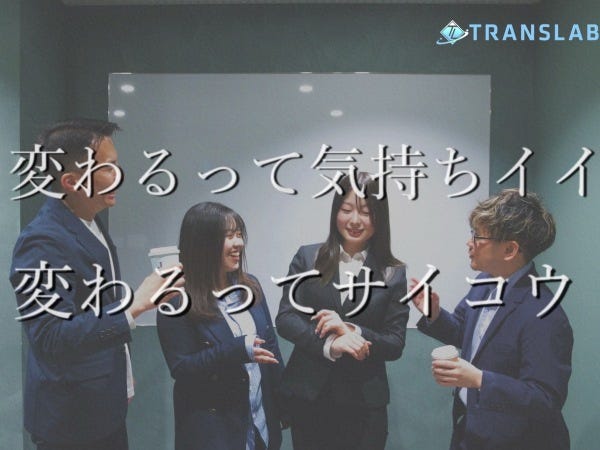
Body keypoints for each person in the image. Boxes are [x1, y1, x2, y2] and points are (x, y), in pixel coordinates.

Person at [10, 119, 179, 450]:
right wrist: (134, 306)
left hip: (101, 404)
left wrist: (121, 373)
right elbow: (49, 336)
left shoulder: (87, 220)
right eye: (108, 168)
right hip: (71, 421)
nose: (118, 176)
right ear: (71, 181)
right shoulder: (42, 240)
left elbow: (96, 304)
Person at [412, 189, 573, 450]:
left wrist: (479, 380)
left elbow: (545, 399)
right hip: (472, 429)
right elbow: (465, 333)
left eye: (478, 236)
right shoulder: (484, 281)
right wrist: (434, 314)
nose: (469, 243)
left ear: (509, 249)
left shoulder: (544, 312)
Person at [275, 172, 409, 450]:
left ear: (379, 218)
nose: (355, 220)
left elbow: (395, 343)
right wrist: (330, 345)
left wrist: (353, 331)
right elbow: (286, 318)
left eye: (366, 212)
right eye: (346, 209)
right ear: (335, 211)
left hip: (365, 403)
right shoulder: (307, 257)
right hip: (310, 397)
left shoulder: (393, 272)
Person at [157, 202, 284, 450]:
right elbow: (182, 367)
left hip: (261, 424)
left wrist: (282, 406)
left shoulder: (250, 286)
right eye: (229, 236)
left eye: (239, 234)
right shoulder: (175, 299)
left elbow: (271, 346)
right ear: (203, 243)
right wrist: (236, 350)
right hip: (215, 432)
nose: (239, 243)